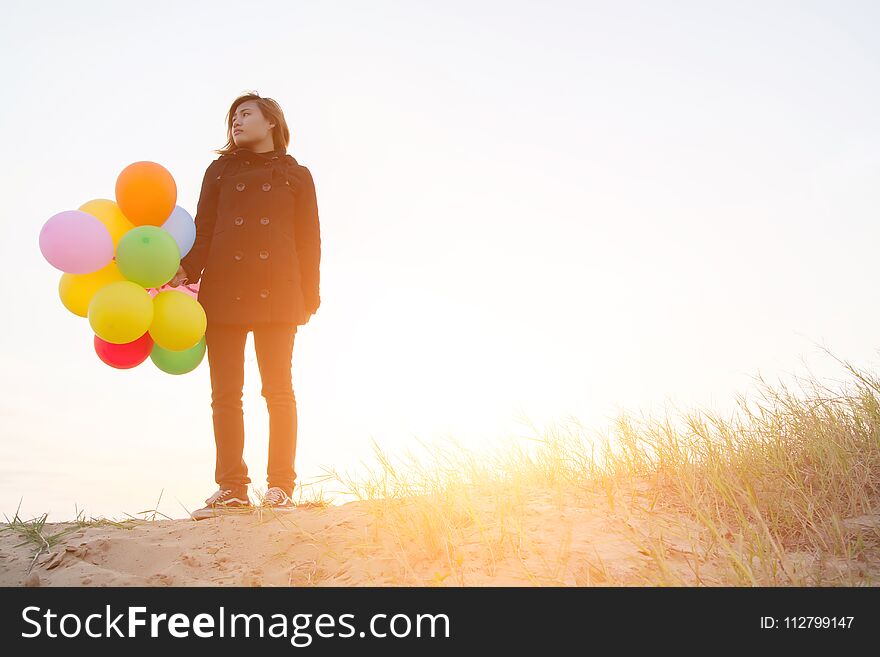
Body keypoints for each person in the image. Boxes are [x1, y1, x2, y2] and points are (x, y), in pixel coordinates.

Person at [171, 92, 322, 520]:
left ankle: (280, 488)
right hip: (223, 289)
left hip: (279, 290)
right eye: (233, 116)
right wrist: (186, 270)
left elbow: (309, 237)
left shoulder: (297, 175)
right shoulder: (219, 171)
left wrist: (309, 294)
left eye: (246, 114)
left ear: (271, 122)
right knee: (225, 394)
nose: (236, 121)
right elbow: (204, 228)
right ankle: (233, 488)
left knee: (278, 391)